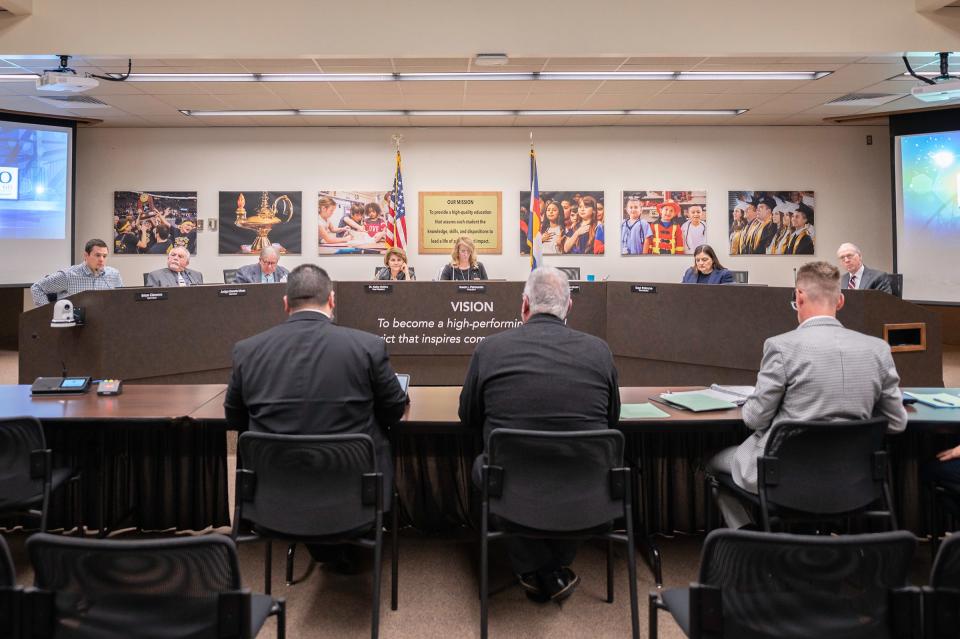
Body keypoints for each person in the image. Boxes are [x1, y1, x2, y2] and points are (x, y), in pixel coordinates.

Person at [224, 264, 407, 570]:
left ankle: (322, 548)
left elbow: (235, 420)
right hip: (354, 491)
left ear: (285, 303)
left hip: (275, 491)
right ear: (332, 300)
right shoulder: (367, 346)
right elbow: (394, 410)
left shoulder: (246, 351)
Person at [459, 266, 620, 603]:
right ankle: (553, 567)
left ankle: (537, 567)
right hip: (585, 485)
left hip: (513, 487)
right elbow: (611, 419)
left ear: (524, 304)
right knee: (574, 467)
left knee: (486, 467)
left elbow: (468, 416)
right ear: (569, 306)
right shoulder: (600, 351)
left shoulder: (489, 349)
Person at [706, 261, 907, 529]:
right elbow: (896, 423)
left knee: (710, 465)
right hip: (855, 478)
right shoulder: (878, 350)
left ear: (799, 296)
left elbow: (754, 419)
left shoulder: (781, 347)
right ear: (841, 301)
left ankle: (747, 539)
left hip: (782, 476)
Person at [31, 238, 124, 306]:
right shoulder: (68, 275)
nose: (101, 259)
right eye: (98, 255)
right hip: (74, 325)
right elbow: (37, 288)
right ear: (86, 255)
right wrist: (49, 312)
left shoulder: (113, 274)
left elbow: (121, 299)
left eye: (104, 256)